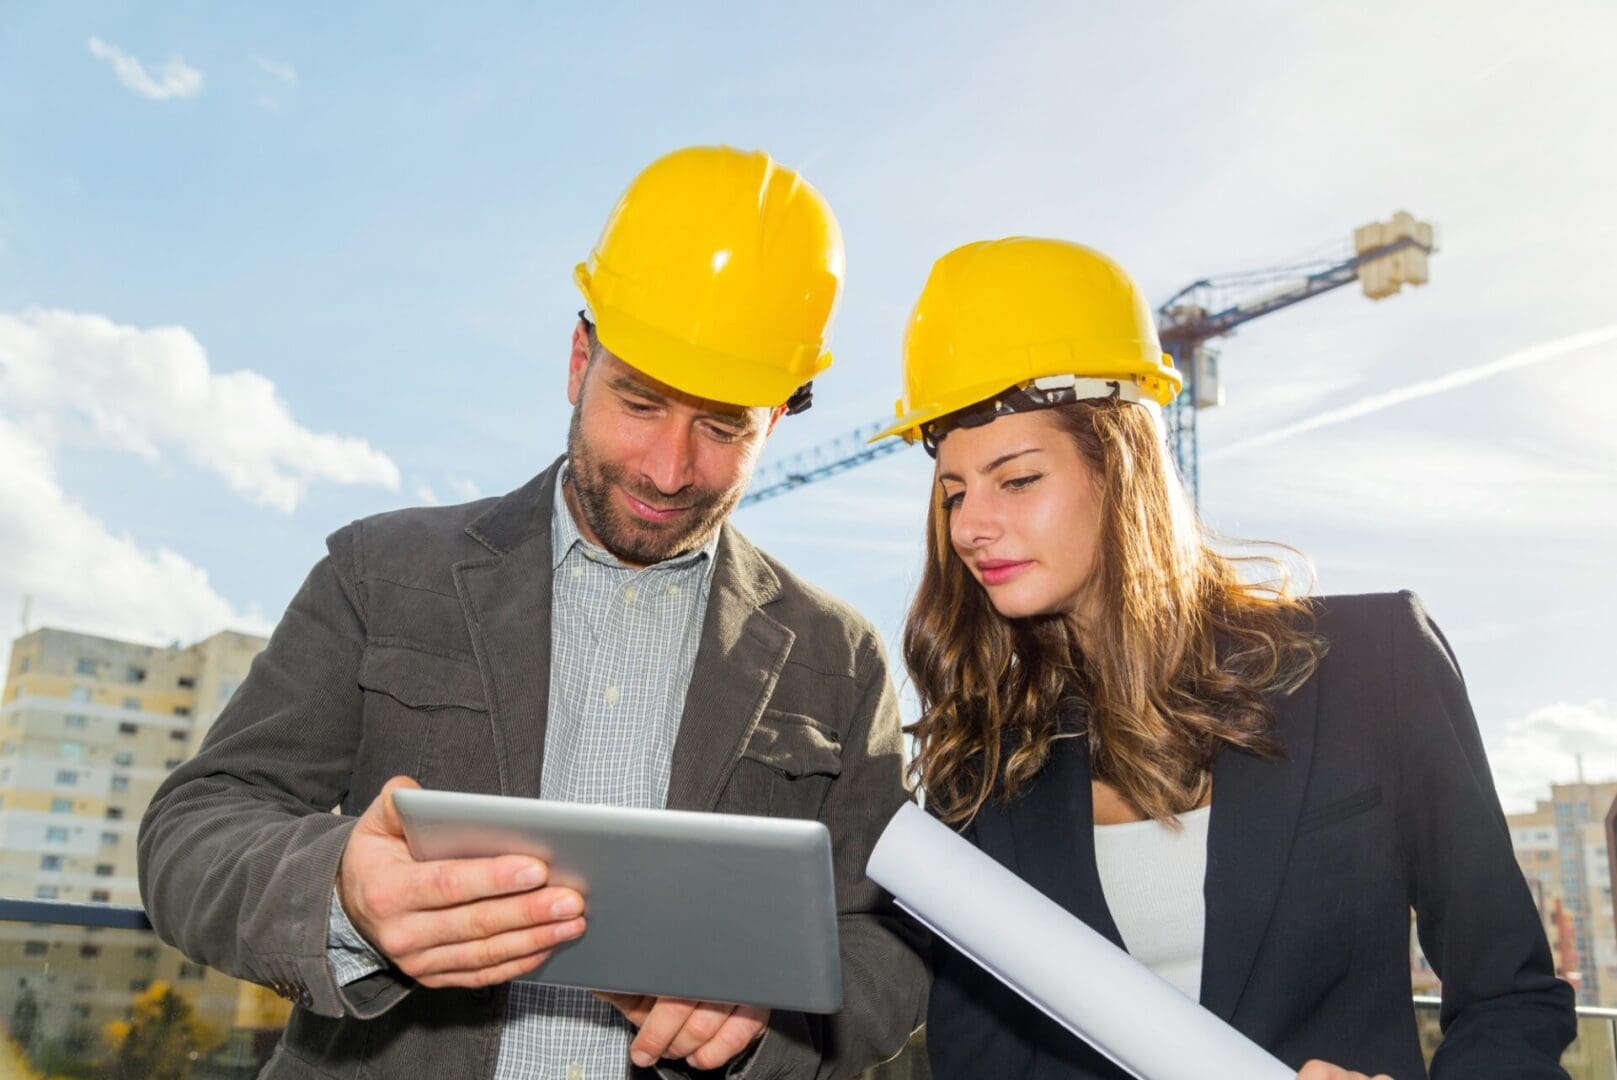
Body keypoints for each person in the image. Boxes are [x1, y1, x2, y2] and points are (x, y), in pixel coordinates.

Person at [138, 145, 925, 1080]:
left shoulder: (836, 658)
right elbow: (193, 830)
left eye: (722, 428)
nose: (668, 470)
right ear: (578, 361)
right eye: (639, 403)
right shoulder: (380, 572)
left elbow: (884, 941)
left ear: (778, 422)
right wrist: (344, 889)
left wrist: (770, 1030)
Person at [871, 237, 1576, 1079]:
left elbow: (1511, 1001)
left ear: (1120, 469)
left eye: (1015, 480)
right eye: (952, 492)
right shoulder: (986, 759)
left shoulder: (1372, 666)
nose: (967, 526)